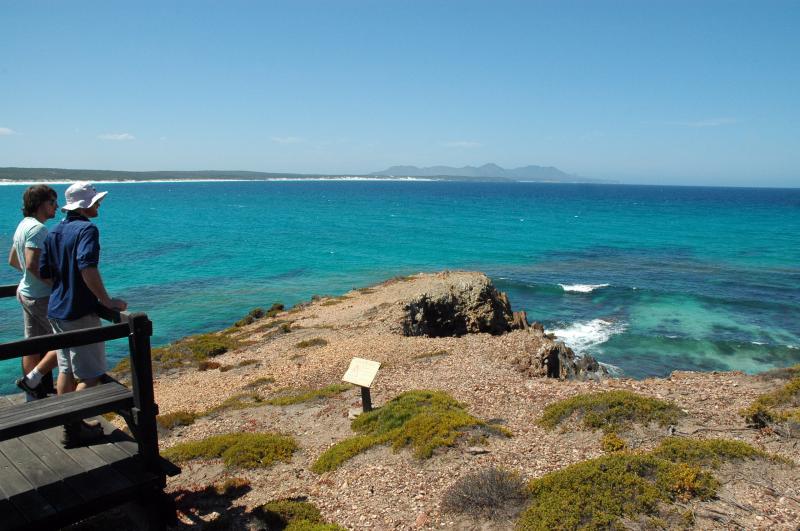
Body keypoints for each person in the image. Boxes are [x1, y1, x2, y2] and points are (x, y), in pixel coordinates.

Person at [39, 181, 128, 447]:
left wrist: (63, 288)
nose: (99, 205)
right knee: (90, 375)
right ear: (86, 205)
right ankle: (74, 428)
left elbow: (44, 273)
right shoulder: (87, 229)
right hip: (78, 312)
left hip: (56, 309)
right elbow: (87, 268)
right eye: (96, 201)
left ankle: (72, 424)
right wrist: (107, 301)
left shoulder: (54, 231)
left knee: (66, 370)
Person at [8, 185, 60, 400]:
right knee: (67, 341)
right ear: (41, 205)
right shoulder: (38, 229)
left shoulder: (23, 225)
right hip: (40, 296)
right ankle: (34, 379)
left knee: (33, 344)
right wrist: (55, 283)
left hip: (26, 292)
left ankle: (32, 393)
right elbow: (31, 264)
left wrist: (31, 277)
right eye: (52, 202)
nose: (56, 207)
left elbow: (13, 260)